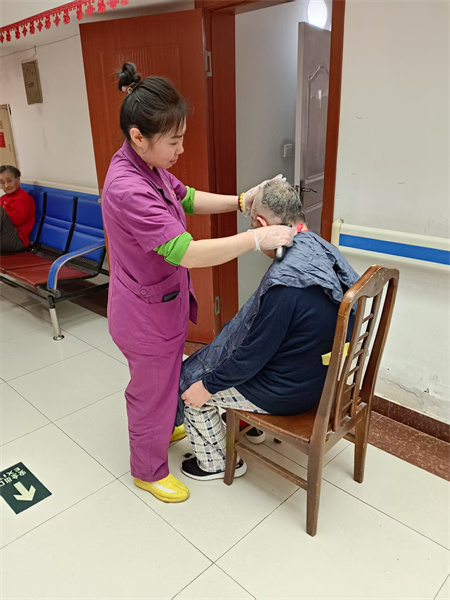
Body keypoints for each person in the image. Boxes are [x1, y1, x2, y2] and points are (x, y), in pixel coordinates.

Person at [101, 63, 294, 504]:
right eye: (173, 141)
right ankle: (147, 470)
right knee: (149, 392)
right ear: (138, 136)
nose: (181, 149)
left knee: (167, 377)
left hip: (161, 302)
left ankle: (165, 425)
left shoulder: (147, 165)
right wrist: (255, 239)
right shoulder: (128, 187)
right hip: (143, 315)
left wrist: (241, 200)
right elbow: (185, 252)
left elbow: (185, 196)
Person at [179, 180, 359, 480]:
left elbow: (252, 356)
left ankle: (216, 463)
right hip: (323, 379)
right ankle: (253, 427)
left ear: (262, 225)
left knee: (192, 392)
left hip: (288, 394)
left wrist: (206, 386)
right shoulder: (324, 250)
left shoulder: (287, 284)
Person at [0, 165, 35, 254]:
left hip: (17, 241)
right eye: (2, 182)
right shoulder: (3, 198)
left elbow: (17, 220)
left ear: (18, 180)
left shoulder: (24, 198)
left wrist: (4, 210)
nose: (6, 186)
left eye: (9, 181)